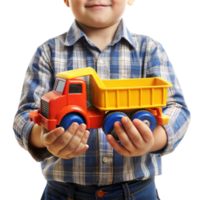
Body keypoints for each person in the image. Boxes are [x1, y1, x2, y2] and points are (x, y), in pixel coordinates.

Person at [11, 0, 192, 199]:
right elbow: (23, 115)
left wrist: (153, 140)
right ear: (65, 0)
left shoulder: (150, 49)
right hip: (63, 193)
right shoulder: (47, 52)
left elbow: (178, 108)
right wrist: (44, 137)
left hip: (137, 191)